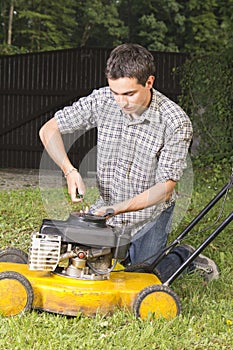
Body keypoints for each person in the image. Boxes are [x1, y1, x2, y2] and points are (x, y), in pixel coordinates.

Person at [39, 43, 219, 283]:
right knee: (86, 263)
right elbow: (49, 129)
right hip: (108, 205)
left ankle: (184, 256)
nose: (121, 102)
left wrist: (118, 209)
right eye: (115, 92)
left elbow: (165, 188)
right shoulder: (102, 100)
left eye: (129, 94)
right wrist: (69, 170)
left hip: (151, 212)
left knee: (141, 276)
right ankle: (121, 251)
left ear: (149, 82)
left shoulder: (175, 122)